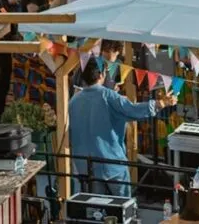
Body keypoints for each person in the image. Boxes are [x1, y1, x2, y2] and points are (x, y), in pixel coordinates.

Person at [70, 59, 174, 196]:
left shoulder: (74, 101)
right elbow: (132, 110)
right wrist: (161, 103)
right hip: (111, 163)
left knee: (94, 205)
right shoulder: (108, 95)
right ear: (101, 75)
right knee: (122, 204)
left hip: (85, 165)